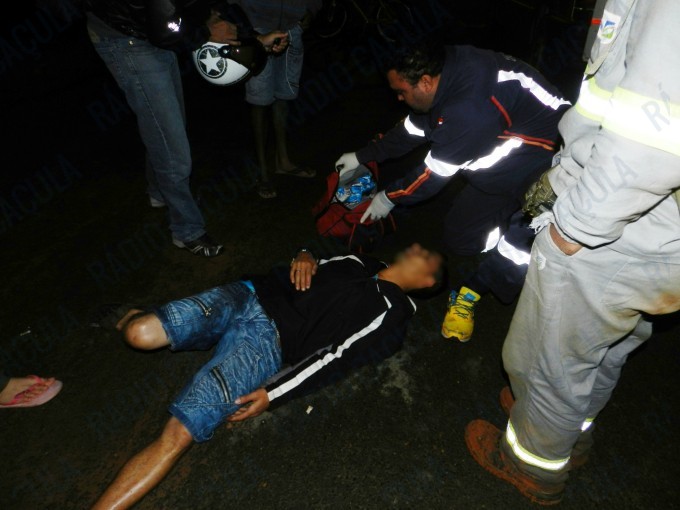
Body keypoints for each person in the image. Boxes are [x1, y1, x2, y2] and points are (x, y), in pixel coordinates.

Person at [465, 0, 680, 505]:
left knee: (549, 361)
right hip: (659, 236)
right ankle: (567, 430)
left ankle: (532, 464)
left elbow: (653, 136)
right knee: (602, 348)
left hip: (620, 228)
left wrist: (575, 225)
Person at [92, 244, 444, 508]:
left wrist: (273, 394)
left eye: (426, 255)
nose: (416, 247)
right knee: (139, 334)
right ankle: (136, 317)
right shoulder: (360, 261)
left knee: (178, 434)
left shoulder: (391, 316)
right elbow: (312, 258)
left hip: (264, 344)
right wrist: (304, 254)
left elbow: (334, 360)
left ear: (427, 281)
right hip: (247, 293)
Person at [335, 42, 570, 341]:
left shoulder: (470, 111)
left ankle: (473, 290)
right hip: (504, 165)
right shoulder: (446, 75)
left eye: (401, 91)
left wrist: (388, 197)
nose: (398, 98)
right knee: (461, 239)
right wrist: (364, 155)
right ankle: (509, 221)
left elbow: (431, 176)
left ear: (425, 82)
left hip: (550, 166)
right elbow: (412, 129)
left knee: (518, 247)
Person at [84, 0, 288, 256]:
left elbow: (209, 7)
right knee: (173, 144)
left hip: (150, 28)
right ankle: (186, 229)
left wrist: (254, 39)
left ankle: (159, 192)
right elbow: (166, 30)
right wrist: (206, 32)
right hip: (126, 38)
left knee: (165, 126)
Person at [235, 0, 322, 199]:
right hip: (258, 29)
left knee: (284, 97)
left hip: (292, 28)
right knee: (259, 101)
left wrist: (311, 9)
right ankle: (262, 171)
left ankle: (283, 161)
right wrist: (246, 28)